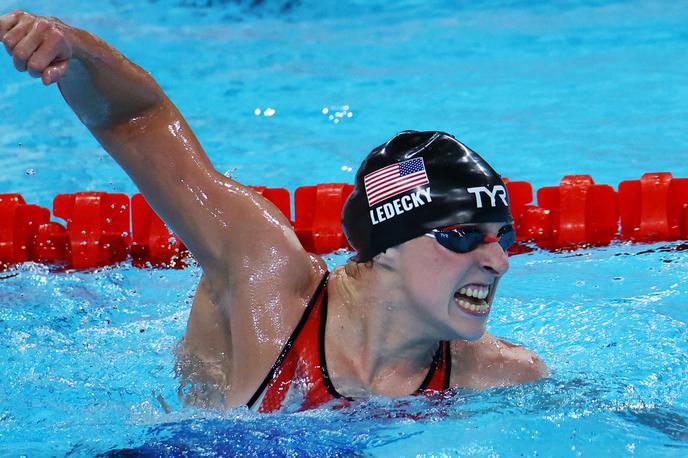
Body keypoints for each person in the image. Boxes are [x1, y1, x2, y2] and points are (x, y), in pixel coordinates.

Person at [1, 10, 548, 413]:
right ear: (387, 249)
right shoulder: (266, 276)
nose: (498, 261)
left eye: (502, 236)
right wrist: (73, 49)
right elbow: (139, 122)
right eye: (460, 237)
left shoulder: (499, 374)